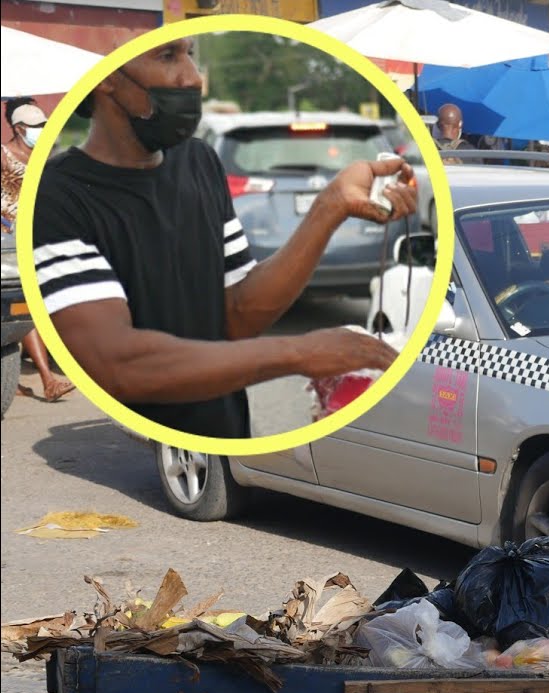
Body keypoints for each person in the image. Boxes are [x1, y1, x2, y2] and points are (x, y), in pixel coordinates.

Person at [31, 37, 416, 438]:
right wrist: (300, 353)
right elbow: (116, 364)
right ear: (106, 79)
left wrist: (330, 207)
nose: (193, 78)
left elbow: (237, 314)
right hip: (153, 444)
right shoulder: (59, 197)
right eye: (167, 57)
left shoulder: (199, 162)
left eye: (190, 55)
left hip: (226, 431)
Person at [2, 98, 75, 403]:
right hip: (9, 240)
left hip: (37, 236)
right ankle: (47, 379)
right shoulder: (3, 155)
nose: (41, 133)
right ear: (19, 129)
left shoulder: (43, 156)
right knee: (29, 306)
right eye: (35, 128)